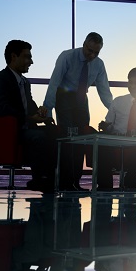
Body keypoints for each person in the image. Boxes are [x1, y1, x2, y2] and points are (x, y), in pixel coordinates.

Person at [43, 32, 113, 191]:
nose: (92, 55)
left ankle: (75, 181)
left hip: (82, 99)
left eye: (96, 52)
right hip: (64, 96)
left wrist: (116, 112)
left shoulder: (99, 64)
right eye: (89, 50)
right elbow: (54, 83)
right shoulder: (67, 56)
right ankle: (65, 182)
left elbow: (104, 92)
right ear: (84, 44)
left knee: (82, 139)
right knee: (68, 138)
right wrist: (48, 111)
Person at [0, 39, 57, 194]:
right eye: (27, 57)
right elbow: (1, 109)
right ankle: (40, 179)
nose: (31, 61)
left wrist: (40, 114)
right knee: (38, 137)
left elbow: (30, 106)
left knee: (56, 134)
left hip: (25, 127)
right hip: (9, 130)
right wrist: (30, 118)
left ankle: (53, 180)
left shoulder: (25, 82)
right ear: (14, 57)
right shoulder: (0, 79)